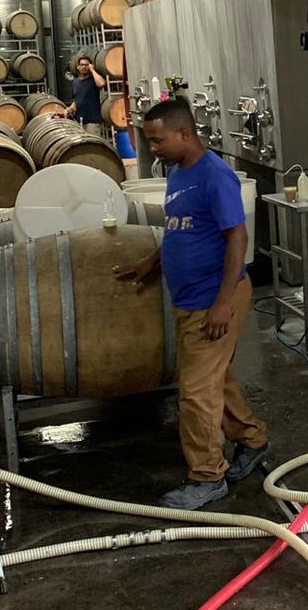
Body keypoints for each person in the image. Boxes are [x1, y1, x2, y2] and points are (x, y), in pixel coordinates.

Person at [114, 99, 268, 510]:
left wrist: (222, 304)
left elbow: (238, 237)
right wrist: (150, 263)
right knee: (213, 379)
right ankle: (252, 441)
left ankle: (206, 478)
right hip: (189, 299)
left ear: (184, 134)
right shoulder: (179, 173)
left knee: (196, 393)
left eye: (158, 140)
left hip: (214, 299)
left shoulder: (214, 176)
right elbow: (181, 230)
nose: (153, 149)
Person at [65, 55, 105, 135]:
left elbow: (102, 83)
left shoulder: (93, 80)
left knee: (93, 145)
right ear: (78, 67)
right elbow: (76, 100)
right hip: (79, 121)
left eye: (86, 65)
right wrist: (70, 108)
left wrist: (92, 70)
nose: (84, 67)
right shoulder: (75, 82)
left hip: (92, 121)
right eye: (82, 65)